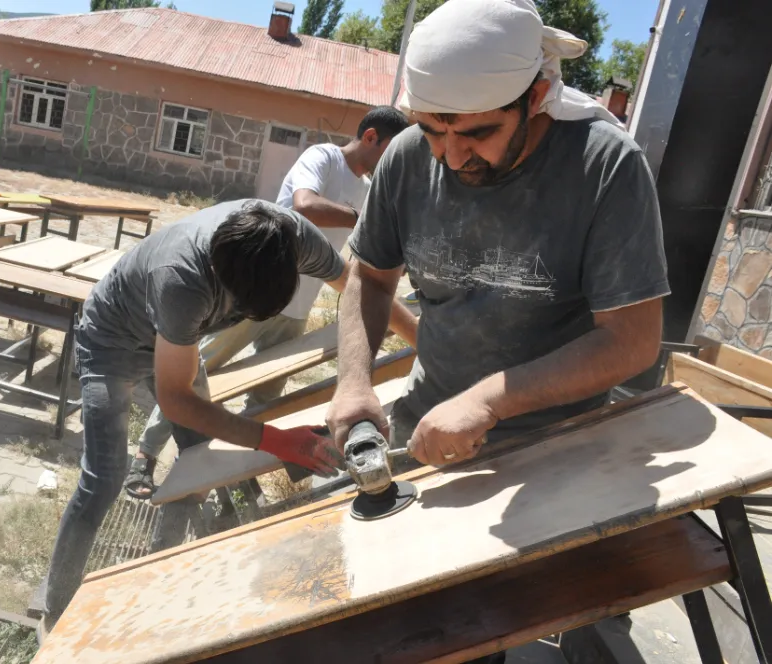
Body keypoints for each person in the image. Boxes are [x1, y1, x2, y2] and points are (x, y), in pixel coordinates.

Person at [326, 1, 668, 661]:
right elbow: (369, 278)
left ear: (537, 96)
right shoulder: (405, 159)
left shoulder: (606, 169)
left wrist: (490, 400)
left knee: (565, 630)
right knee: (420, 634)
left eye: (477, 134)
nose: (451, 158)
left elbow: (632, 339)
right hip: (430, 441)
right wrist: (352, 381)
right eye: (433, 130)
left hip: (561, 452)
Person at [40, 199, 418, 637]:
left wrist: (424, 345)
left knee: (200, 458)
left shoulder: (290, 236)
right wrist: (273, 439)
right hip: (113, 342)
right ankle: (57, 610)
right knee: (105, 476)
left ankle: (169, 561)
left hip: (176, 340)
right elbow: (176, 400)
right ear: (220, 274)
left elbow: (359, 286)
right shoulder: (182, 282)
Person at [123, 106, 412, 499]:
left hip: (293, 309)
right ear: (371, 137)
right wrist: (362, 217)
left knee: (265, 399)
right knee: (193, 378)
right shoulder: (323, 157)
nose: (394, 161)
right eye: (393, 149)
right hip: (252, 293)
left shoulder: (366, 187)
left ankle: (235, 474)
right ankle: (145, 456)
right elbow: (304, 205)